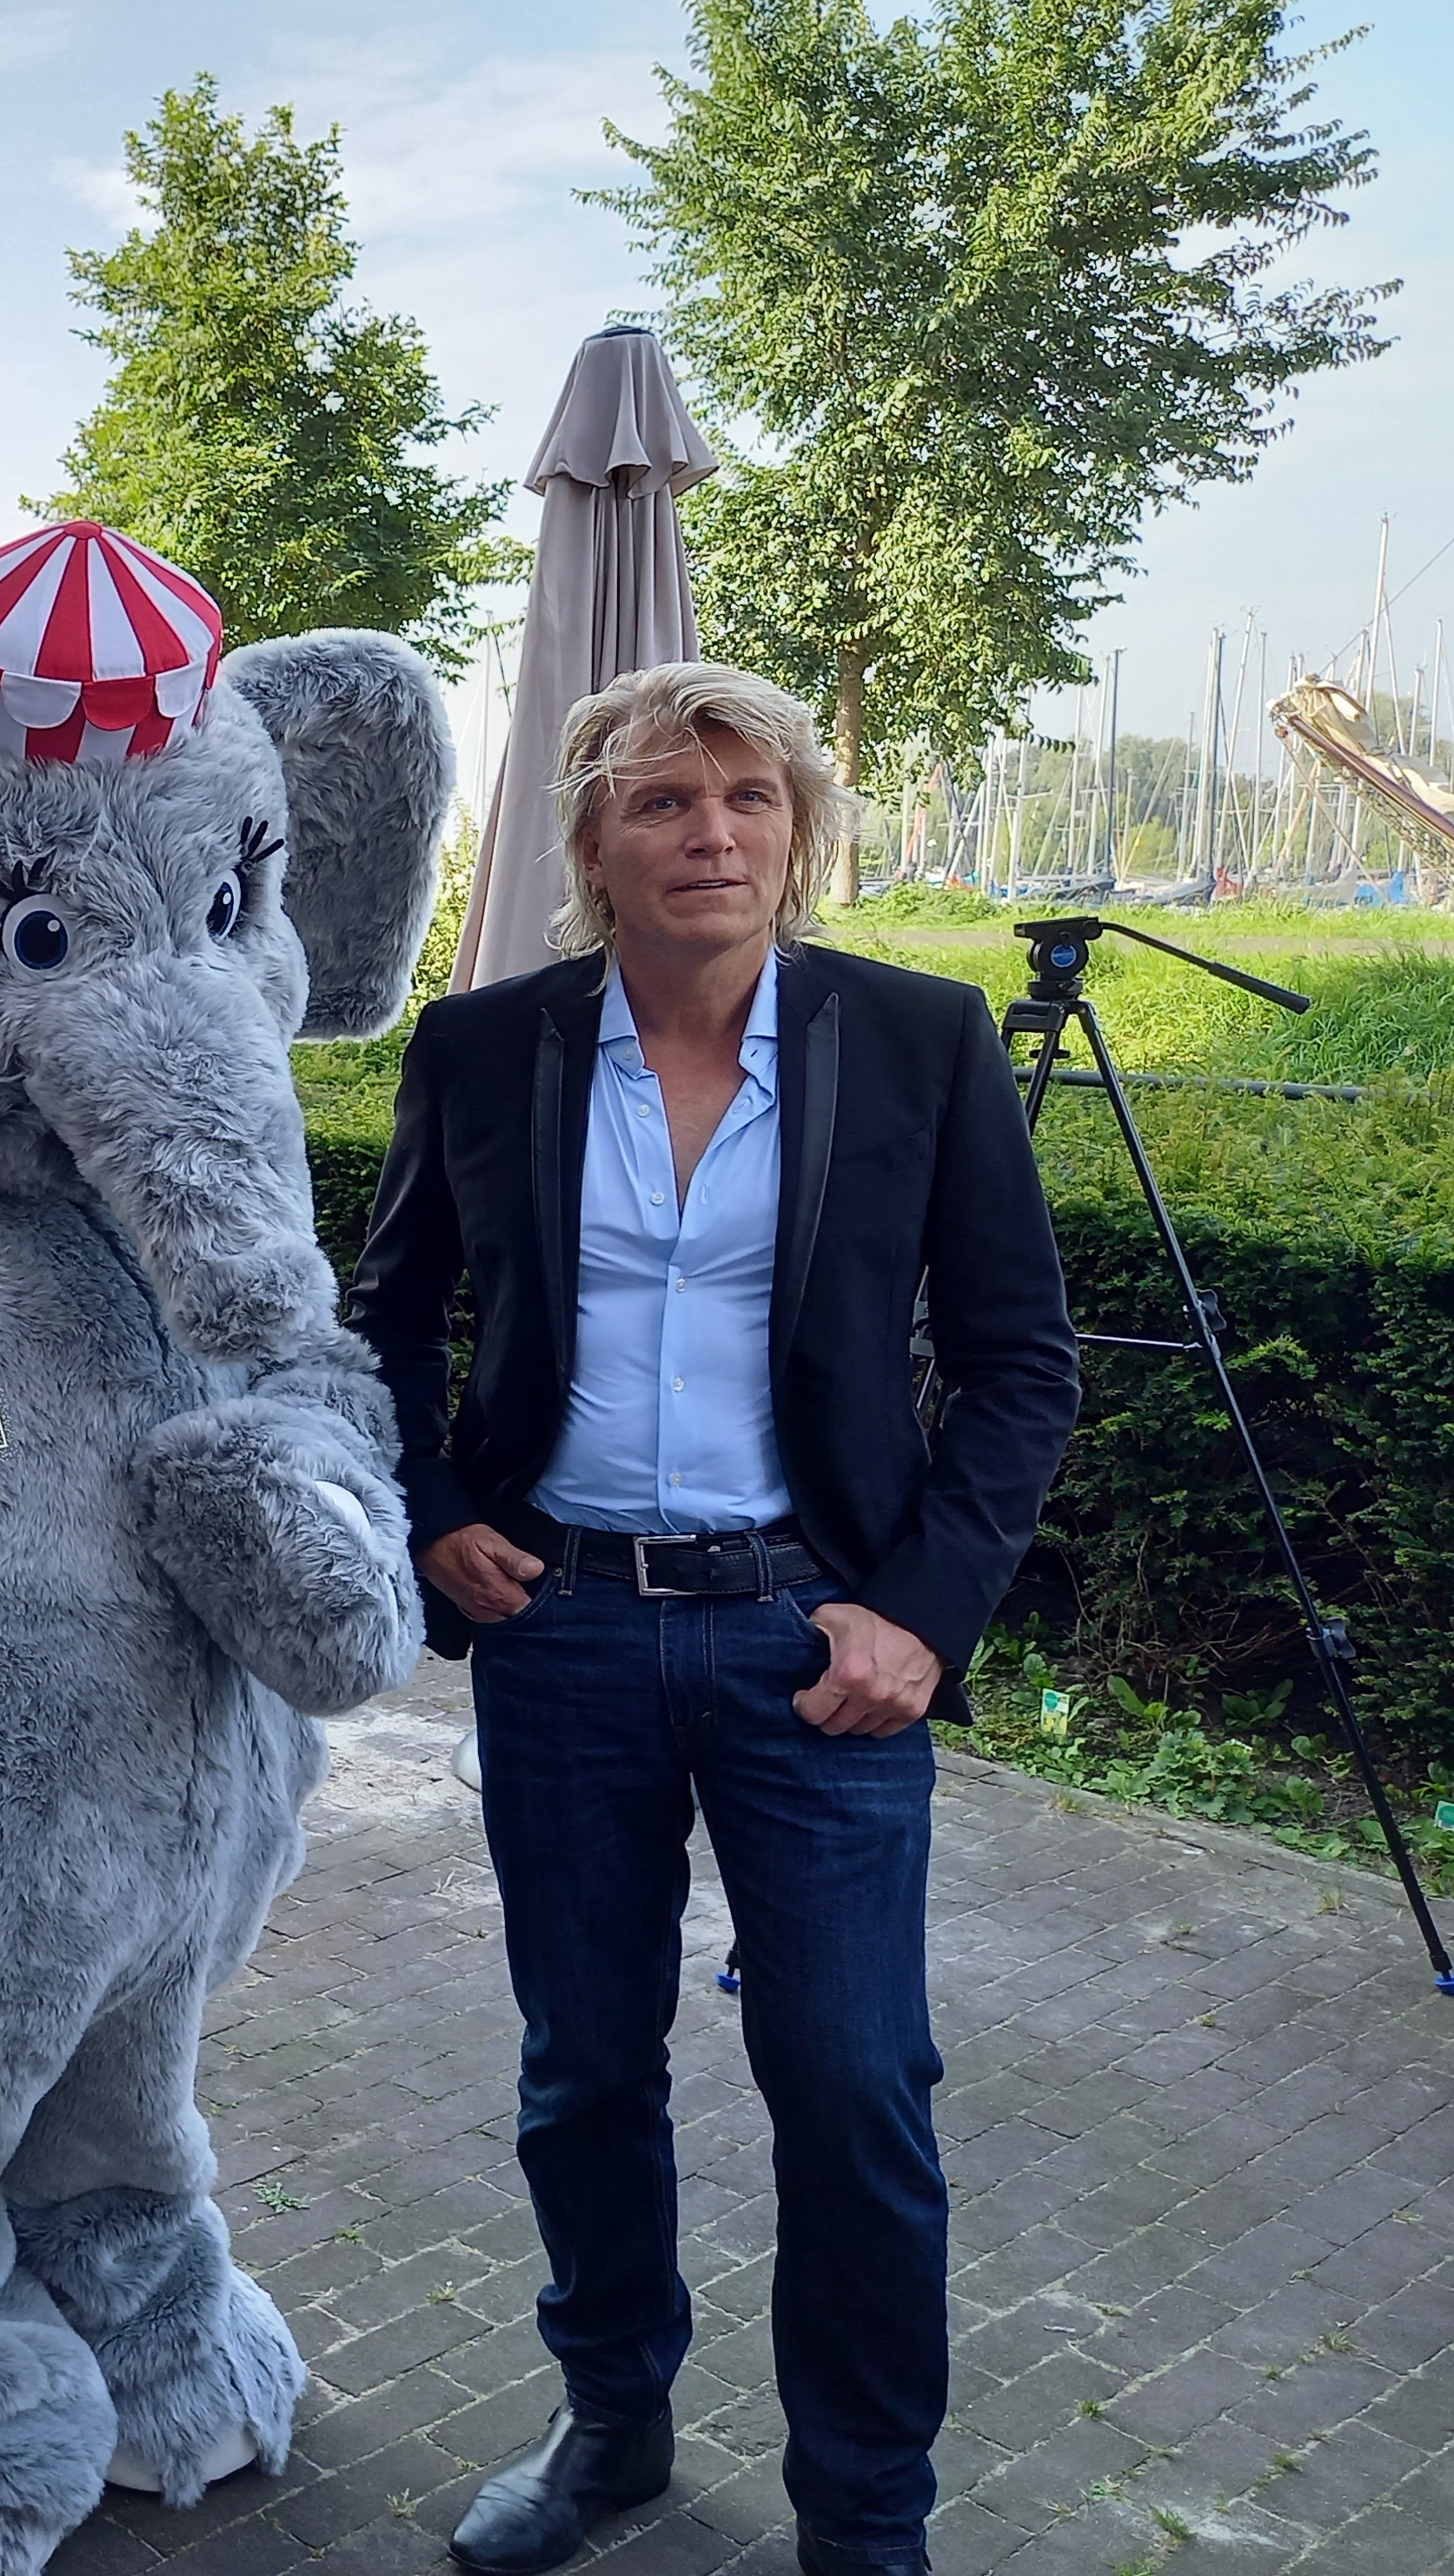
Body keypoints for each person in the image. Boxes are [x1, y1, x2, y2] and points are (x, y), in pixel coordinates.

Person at [351, 662, 1079, 2576]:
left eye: (750, 798)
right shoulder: (483, 1046)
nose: (712, 835)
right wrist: (430, 1512)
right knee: (579, 2067)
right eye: (664, 802)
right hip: (563, 1633)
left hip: (811, 1652)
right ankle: (610, 2431)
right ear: (590, 840)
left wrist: (918, 1614)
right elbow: (383, 1319)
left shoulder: (911, 1044)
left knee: (850, 2084)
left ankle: (863, 2516)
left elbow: (1017, 1365)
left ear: (799, 828)